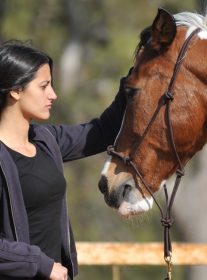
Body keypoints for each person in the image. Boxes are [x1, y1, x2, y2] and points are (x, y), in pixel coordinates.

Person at [0, 41, 127, 280]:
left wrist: (137, 75)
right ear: (16, 91)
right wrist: (40, 263)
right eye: (44, 86)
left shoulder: (46, 139)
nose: (53, 94)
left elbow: (102, 132)